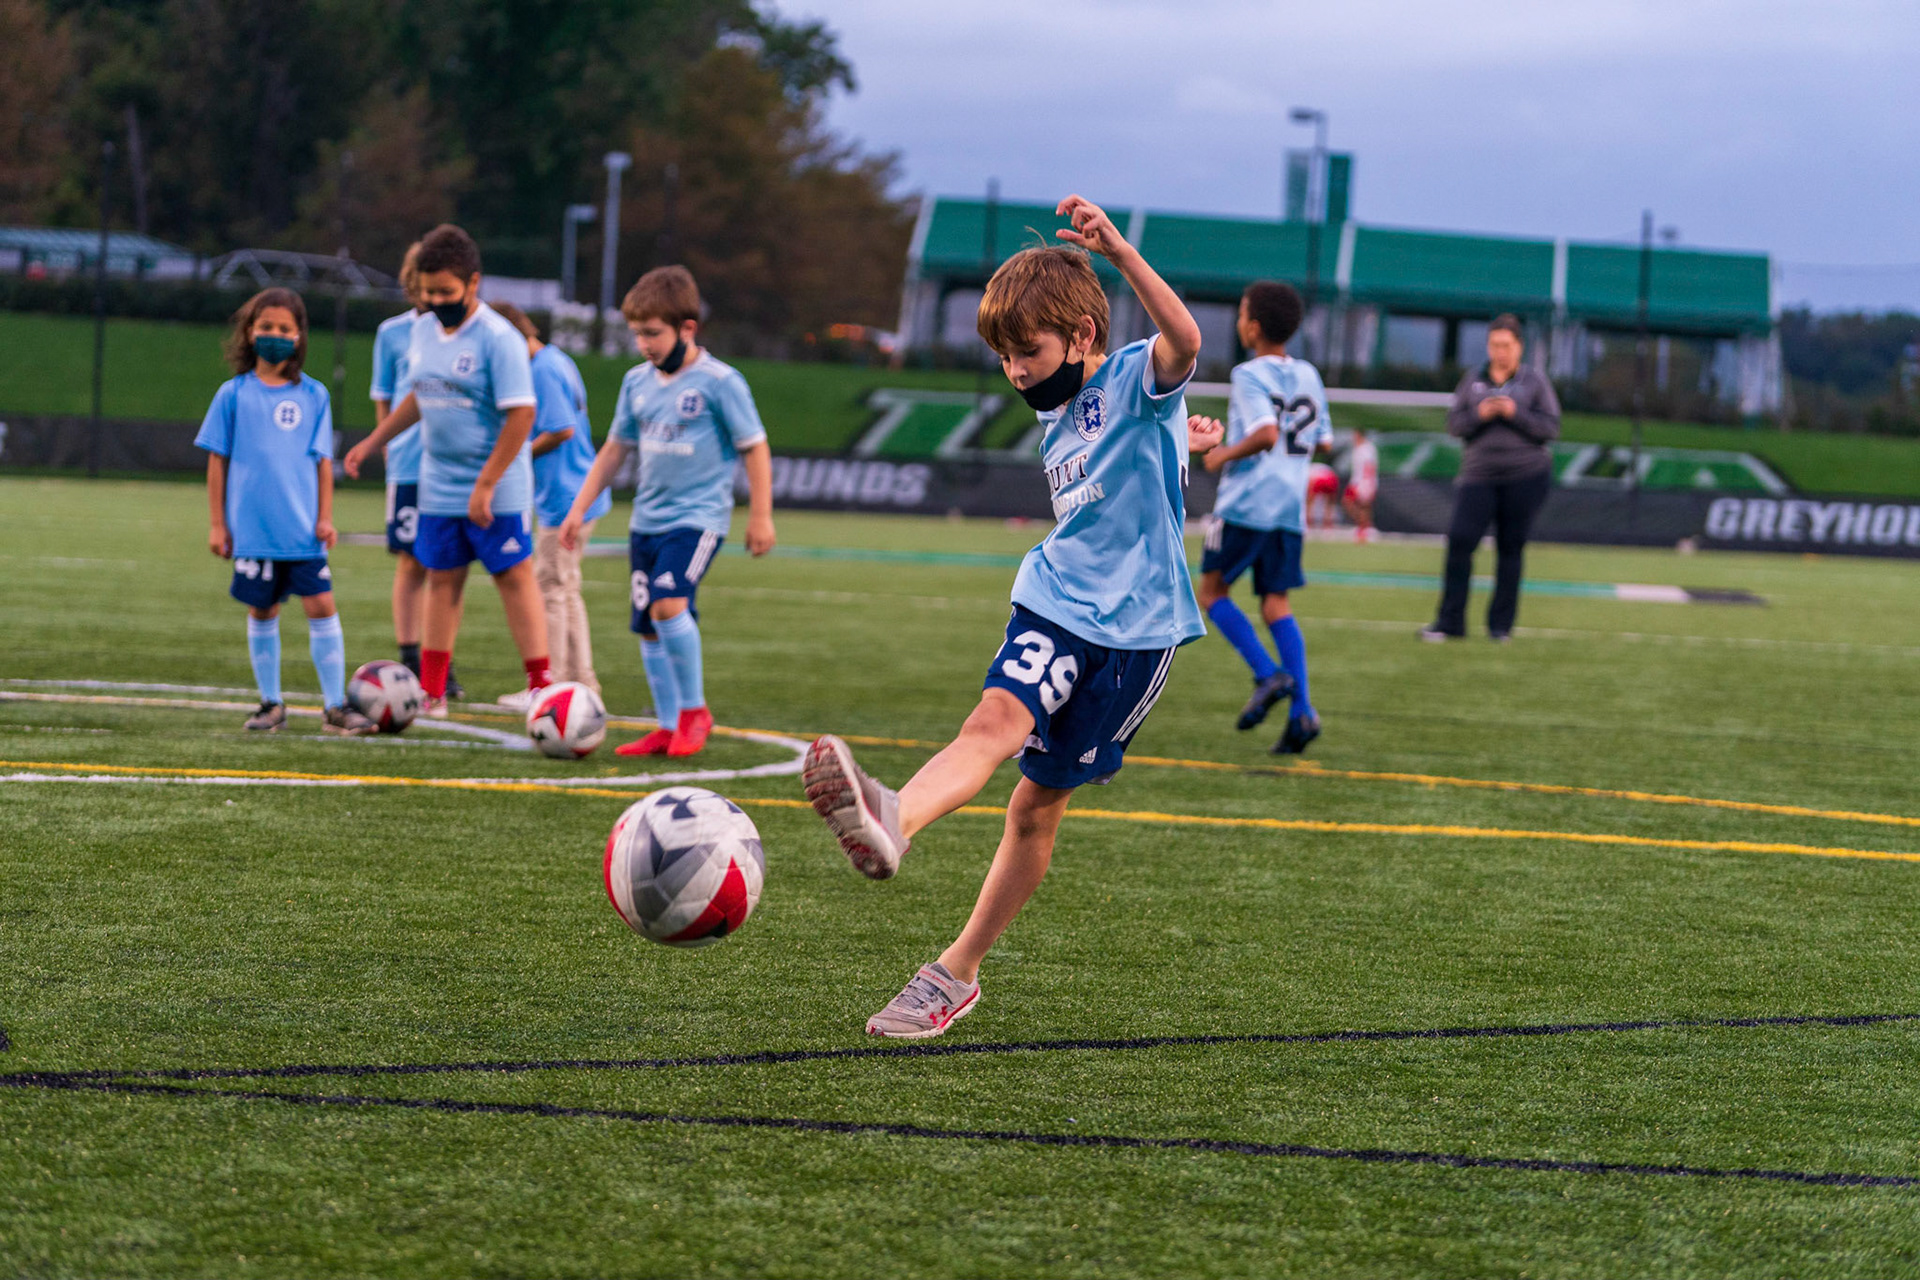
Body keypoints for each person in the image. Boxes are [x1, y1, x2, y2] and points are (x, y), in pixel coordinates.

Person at [801, 195, 1223, 1039]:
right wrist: (1185, 446)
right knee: (991, 721)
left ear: (1083, 335)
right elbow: (1133, 461)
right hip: (1055, 600)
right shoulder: (1058, 418)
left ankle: (956, 973)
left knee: (1034, 808)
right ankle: (892, 819)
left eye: (1028, 351)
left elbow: (1185, 341)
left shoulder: (1132, 375)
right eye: (1003, 357)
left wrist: (1121, 254)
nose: (1016, 372)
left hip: (1134, 637)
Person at [558, 266, 777, 757]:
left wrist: (760, 515)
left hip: (697, 520)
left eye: (653, 333)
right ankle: (667, 723)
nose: (643, 344)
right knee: (648, 624)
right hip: (646, 522)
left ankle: (694, 712)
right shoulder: (636, 381)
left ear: (687, 328)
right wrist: (578, 508)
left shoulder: (721, 382)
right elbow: (614, 450)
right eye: (636, 334)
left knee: (668, 604)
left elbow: (755, 447)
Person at [343, 223, 551, 715]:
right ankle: (432, 691)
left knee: (513, 576)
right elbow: (421, 395)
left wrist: (486, 484)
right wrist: (374, 440)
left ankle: (541, 685)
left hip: (496, 485)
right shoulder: (421, 331)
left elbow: (523, 415)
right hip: (438, 482)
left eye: (446, 292)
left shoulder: (499, 339)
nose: (436, 302)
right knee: (442, 578)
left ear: (473, 283)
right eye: (428, 292)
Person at [196, 287, 375, 736]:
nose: (274, 335)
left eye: (283, 328)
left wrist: (325, 517)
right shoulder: (232, 394)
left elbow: (322, 462)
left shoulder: (314, 394)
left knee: (322, 605)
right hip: (253, 531)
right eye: (266, 327)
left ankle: (335, 706)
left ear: (298, 336)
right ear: (249, 332)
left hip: (302, 531)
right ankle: (271, 703)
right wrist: (218, 524)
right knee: (262, 610)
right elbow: (217, 460)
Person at [1196, 279, 1331, 755]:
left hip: (1247, 501)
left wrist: (1221, 454)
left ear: (1253, 327)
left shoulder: (1248, 373)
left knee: (1212, 593)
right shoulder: (1309, 374)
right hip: (1289, 504)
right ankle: (1302, 714)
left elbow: (1267, 433)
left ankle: (1267, 674)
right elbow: (1324, 441)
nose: (1238, 321)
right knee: (1276, 604)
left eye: (1240, 313)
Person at [489, 301, 609, 708]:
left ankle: (550, 685)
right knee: (565, 589)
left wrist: (515, 454)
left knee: (551, 589)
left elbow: (560, 429)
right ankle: (581, 682)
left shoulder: (541, 369)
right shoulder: (557, 359)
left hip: (565, 495)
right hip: (575, 490)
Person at [1421, 314, 1559, 642]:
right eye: (1495, 345)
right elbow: (1455, 424)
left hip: (1525, 475)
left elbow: (1551, 428)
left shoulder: (1534, 382)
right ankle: (1450, 622)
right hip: (1478, 475)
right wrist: (1479, 414)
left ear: (1519, 347)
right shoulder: (1473, 381)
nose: (1501, 352)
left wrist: (1515, 413)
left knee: (1510, 547)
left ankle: (1500, 627)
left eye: (1507, 345)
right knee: (1460, 541)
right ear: (1487, 346)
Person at [369, 243, 463, 700]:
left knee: (447, 565)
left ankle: (438, 660)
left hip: (452, 465)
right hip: (410, 462)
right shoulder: (392, 333)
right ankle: (409, 654)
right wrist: (385, 444)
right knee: (412, 561)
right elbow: (383, 394)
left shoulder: (467, 332)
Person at [1343, 425, 1378, 541]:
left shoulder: (1367, 449)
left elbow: (1369, 466)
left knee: (1363, 506)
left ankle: (1365, 529)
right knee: (1350, 503)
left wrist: (1368, 483)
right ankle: (1363, 526)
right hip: (1356, 480)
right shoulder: (1357, 448)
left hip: (1364, 481)